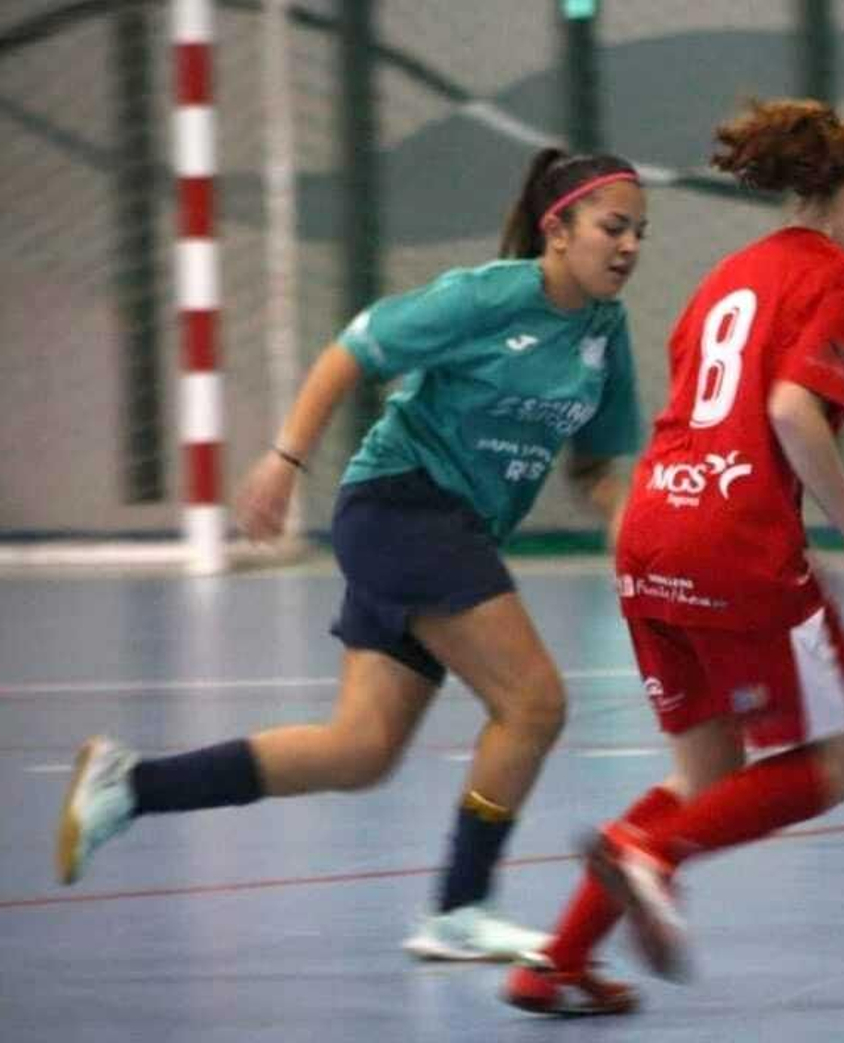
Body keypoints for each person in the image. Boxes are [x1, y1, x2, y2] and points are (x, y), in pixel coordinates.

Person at [54, 148, 650, 962]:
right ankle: (460, 909)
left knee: (360, 748)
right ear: (558, 228)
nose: (628, 246)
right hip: (403, 504)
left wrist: (635, 525)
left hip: (447, 530)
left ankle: (128, 785)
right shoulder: (487, 296)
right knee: (535, 704)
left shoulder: (605, 336)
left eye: (639, 234)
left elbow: (593, 469)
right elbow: (354, 348)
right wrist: (285, 459)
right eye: (613, 227)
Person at [502, 98, 844, 1016]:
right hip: (732, 540)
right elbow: (788, 411)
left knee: (704, 774)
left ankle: (555, 961)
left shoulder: (730, 274)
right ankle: (653, 856)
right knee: (843, 758)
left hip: (652, 527)